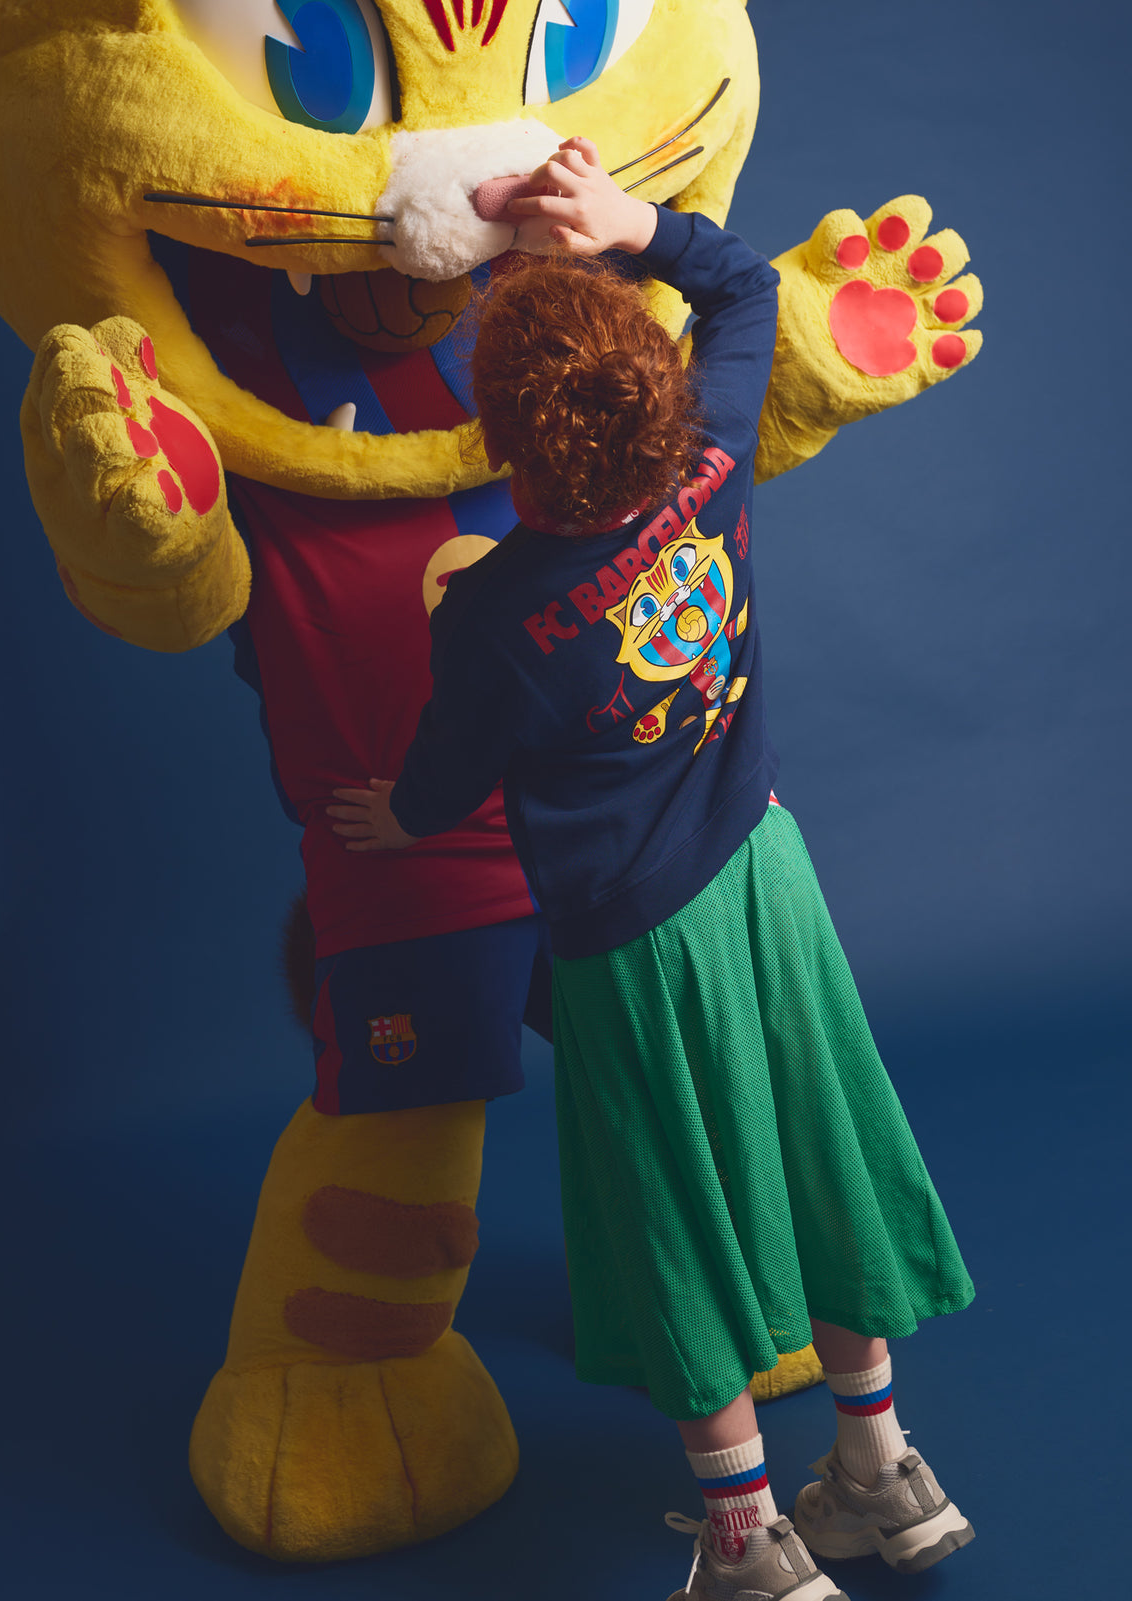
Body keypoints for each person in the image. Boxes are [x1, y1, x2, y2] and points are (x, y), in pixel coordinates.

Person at [327, 138, 976, 1601]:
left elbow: (442, 780)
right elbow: (741, 286)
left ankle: (750, 1544)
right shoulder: (715, 456)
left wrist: (392, 819)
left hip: (633, 939)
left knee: (668, 1212)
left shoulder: (494, 614)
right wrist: (632, 224)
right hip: (767, 873)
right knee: (821, 1147)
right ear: (666, 396)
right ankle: (881, 1469)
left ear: (506, 446)